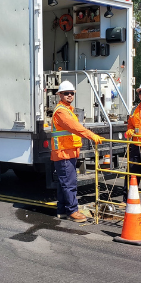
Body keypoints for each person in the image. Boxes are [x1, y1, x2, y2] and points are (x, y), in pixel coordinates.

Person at [51, 80, 103, 223]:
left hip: (67, 152)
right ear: (60, 95)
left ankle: (62, 210)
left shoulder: (68, 110)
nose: (69, 95)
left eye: (71, 93)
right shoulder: (61, 111)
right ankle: (72, 211)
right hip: (63, 153)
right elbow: (75, 128)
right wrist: (92, 136)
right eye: (66, 93)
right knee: (69, 183)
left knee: (64, 183)